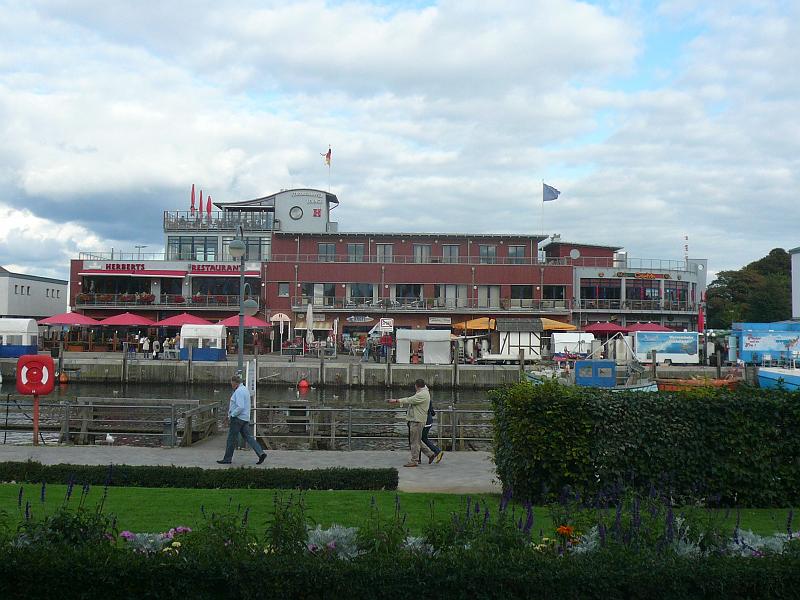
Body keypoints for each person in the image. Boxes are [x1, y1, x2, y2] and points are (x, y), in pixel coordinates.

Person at [217, 375, 267, 465]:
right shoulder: (245, 390)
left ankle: (227, 458)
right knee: (249, 437)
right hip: (245, 418)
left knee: (231, 439)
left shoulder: (239, 392)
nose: (231, 385)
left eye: (231, 383)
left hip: (237, 418)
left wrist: (231, 415)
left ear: (235, 382)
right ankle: (261, 453)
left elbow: (240, 406)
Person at [389, 378, 434, 467]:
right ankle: (430, 454)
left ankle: (414, 460)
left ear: (416, 386)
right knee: (416, 440)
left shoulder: (422, 394)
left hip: (417, 420)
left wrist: (396, 400)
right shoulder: (424, 392)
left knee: (414, 442)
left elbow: (410, 399)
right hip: (417, 420)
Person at [421, 398, 444, 464]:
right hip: (429, 421)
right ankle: (435, 452)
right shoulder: (428, 399)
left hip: (424, 422)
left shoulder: (421, 398)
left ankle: (437, 451)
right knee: (422, 439)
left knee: (420, 439)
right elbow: (432, 412)